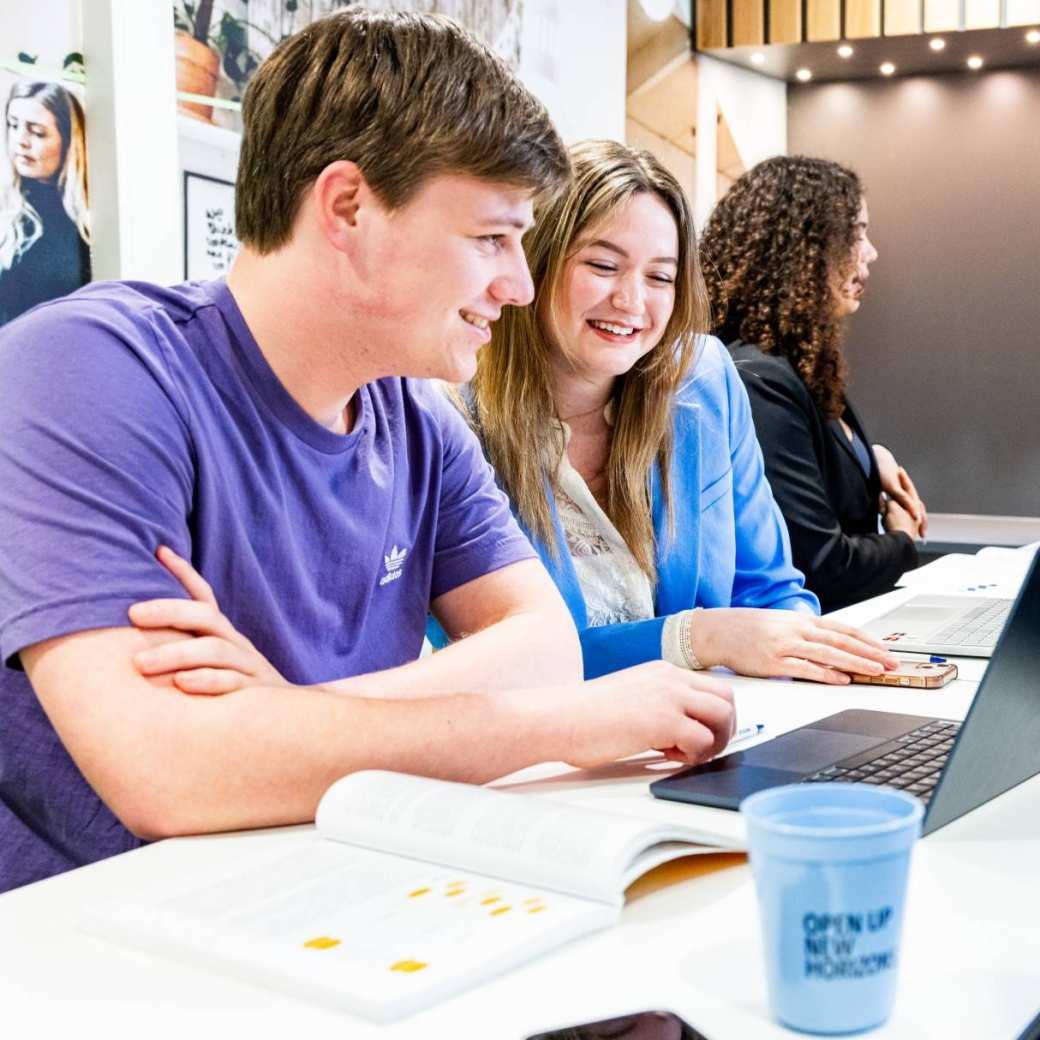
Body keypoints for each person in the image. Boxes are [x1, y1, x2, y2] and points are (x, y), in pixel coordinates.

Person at [0, 12, 736, 894]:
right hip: (94, 942)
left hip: (325, 895)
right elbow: (166, 771)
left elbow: (545, 650)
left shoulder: (419, 423)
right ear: (348, 207)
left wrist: (276, 719)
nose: (520, 284)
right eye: (492, 238)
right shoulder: (91, 367)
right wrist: (560, 726)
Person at [430, 140, 897, 684]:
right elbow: (491, 657)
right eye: (604, 265)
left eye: (660, 277)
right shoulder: (449, 413)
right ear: (537, 262)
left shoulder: (703, 380)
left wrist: (792, 665)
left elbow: (771, 593)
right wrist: (695, 638)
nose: (631, 301)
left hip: (717, 730)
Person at [700, 155, 927, 612]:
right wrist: (903, 539)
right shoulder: (759, 378)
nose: (871, 252)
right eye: (857, 233)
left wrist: (870, 458)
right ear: (804, 247)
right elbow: (821, 567)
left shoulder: (797, 367)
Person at [0, 79, 91, 325]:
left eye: (36, 131)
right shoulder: (5, 209)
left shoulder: (87, 222)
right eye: (13, 125)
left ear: (69, 140)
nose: (20, 140)